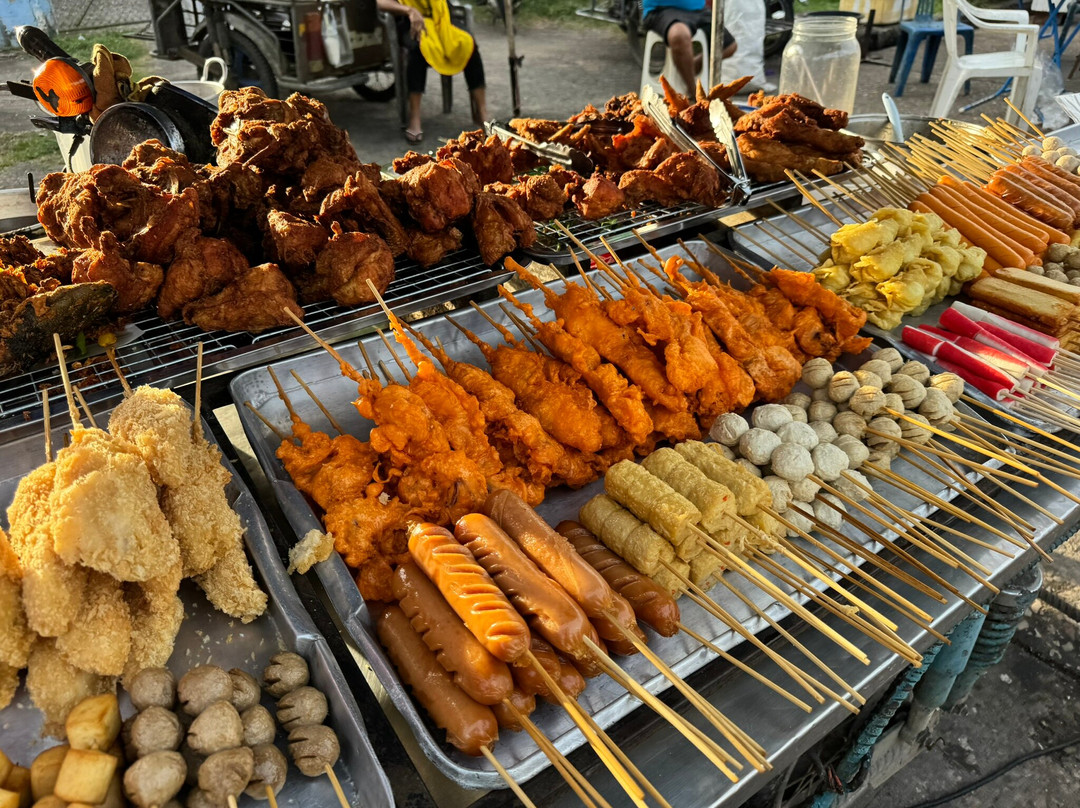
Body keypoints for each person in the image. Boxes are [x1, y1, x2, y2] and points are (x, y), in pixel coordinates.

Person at [377, 0, 488, 144]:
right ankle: (414, 117)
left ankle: (481, 112)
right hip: (409, 20)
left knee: (468, 43)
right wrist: (409, 10)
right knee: (418, 48)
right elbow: (381, 3)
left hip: (442, 20)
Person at [642, 0, 737, 96]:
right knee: (679, 35)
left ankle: (693, 65)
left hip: (698, 9)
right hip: (662, 10)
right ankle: (694, 93)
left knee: (729, 46)